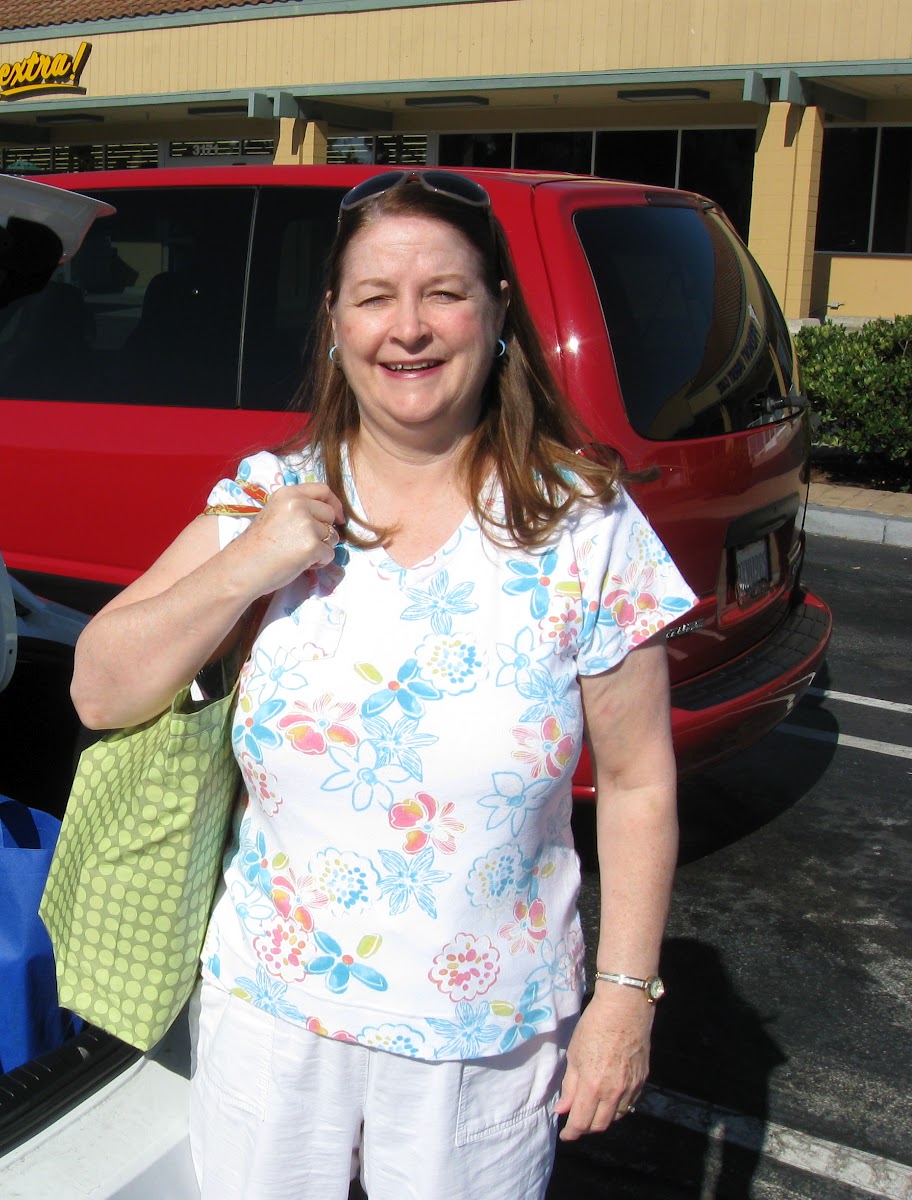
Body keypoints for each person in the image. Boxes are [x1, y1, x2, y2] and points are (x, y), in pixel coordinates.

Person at [69, 169, 694, 1199]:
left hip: (481, 1030)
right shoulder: (272, 496)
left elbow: (637, 785)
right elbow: (99, 689)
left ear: (495, 311)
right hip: (271, 1011)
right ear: (333, 323)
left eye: (443, 292)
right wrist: (246, 565)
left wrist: (625, 1000)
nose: (408, 328)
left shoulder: (585, 525)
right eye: (374, 297)